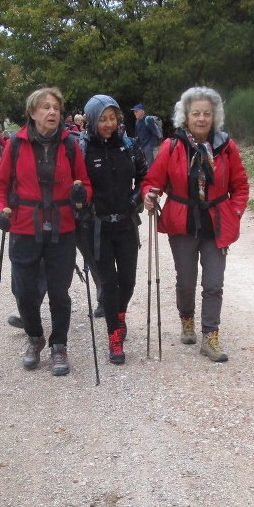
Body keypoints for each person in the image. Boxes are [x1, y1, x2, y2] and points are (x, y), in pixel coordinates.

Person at [142, 86, 249, 362]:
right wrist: (149, 195)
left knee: (214, 283)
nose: (201, 119)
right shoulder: (172, 146)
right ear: (185, 117)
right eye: (195, 114)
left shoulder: (226, 147)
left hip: (216, 223)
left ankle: (210, 336)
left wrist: (234, 212)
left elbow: (240, 185)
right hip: (182, 223)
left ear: (214, 117)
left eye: (207, 114)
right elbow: (153, 181)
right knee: (186, 281)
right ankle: (186, 318)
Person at [0, 86, 92, 376]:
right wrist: (0, 211)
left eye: (56, 108)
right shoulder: (16, 145)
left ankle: (59, 344)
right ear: (33, 113)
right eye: (46, 107)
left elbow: (85, 183)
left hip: (62, 227)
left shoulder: (70, 145)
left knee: (59, 292)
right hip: (24, 226)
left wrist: (80, 195)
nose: (52, 112)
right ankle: (34, 337)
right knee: (24, 291)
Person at [81, 94, 149, 364]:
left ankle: (119, 316)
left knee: (128, 280)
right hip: (97, 227)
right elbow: (75, 181)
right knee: (109, 283)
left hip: (126, 221)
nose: (109, 124)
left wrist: (137, 198)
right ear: (91, 121)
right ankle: (114, 336)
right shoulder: (83, 149)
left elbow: (144, 175)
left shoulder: (129, 145)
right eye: (103, 119)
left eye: (113, 118)